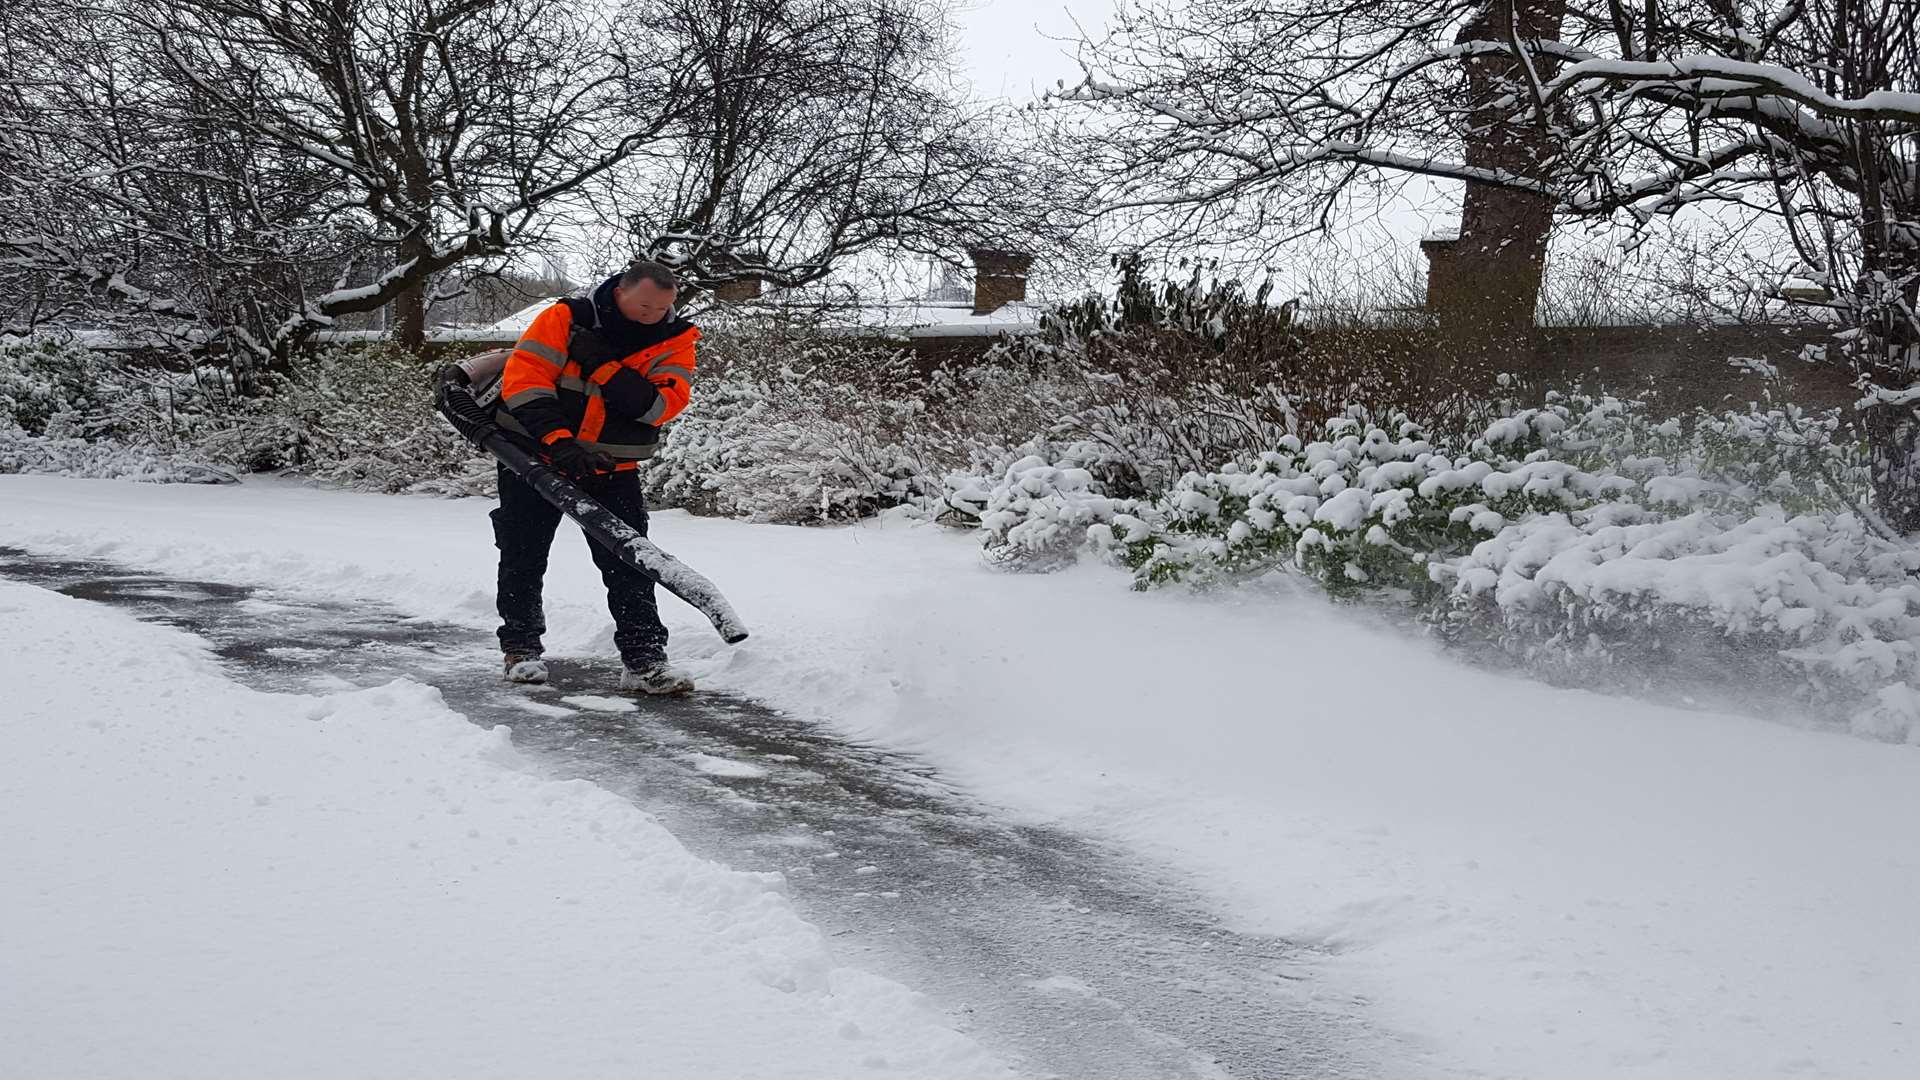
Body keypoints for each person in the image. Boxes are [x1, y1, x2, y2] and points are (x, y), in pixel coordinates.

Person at [489, 259, 700, 694]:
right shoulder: (564, 319)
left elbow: (658, 407)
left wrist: (603, 367)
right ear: (620, 291)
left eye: (662, 309)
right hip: (533, 455)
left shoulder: (676, 341)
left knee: (629, 563)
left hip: (611, 467)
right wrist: (558, 440)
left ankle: (645, 661)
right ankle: (521, 649)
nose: (652, 317)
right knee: (523, 554)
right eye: (643, 306)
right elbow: (526, 381)